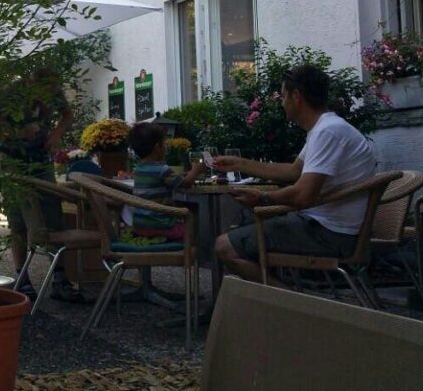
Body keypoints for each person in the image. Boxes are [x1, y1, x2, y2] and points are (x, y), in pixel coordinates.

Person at [213, 65, 377, 285]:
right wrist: (240, 163)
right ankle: (283, 295)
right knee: (245, 223)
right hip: (328, 227)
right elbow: (293, 171)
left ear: (296, 96)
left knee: (224, 247)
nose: (282, 103)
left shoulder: (328, 131)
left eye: (283, 96)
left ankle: (288, 301)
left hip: (332, 235)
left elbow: (303, 195)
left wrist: (263, 198)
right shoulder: (325, 128)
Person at [0, 68, 82, 303]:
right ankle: (22, 279)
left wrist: (54, 136)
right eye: (45, 92)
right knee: (18, 220)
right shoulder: (12, 94)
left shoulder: (54, 92)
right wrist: (18, 133)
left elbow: (67, 115)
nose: (49, 97)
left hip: (40, 159)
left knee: (53, 214)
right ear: (32, 84)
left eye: (53, 92)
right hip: (12, 161)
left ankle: (60, 278)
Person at [125, 123, 206, 241]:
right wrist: (196, 170)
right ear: (158, 147)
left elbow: (168, 179)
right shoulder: (162, 169)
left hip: (140, 226)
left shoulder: (138, 169)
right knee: (192, 212)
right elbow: (185, 183)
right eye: (164, 144)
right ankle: (194, 247)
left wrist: (184, 174)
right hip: (161, 225)